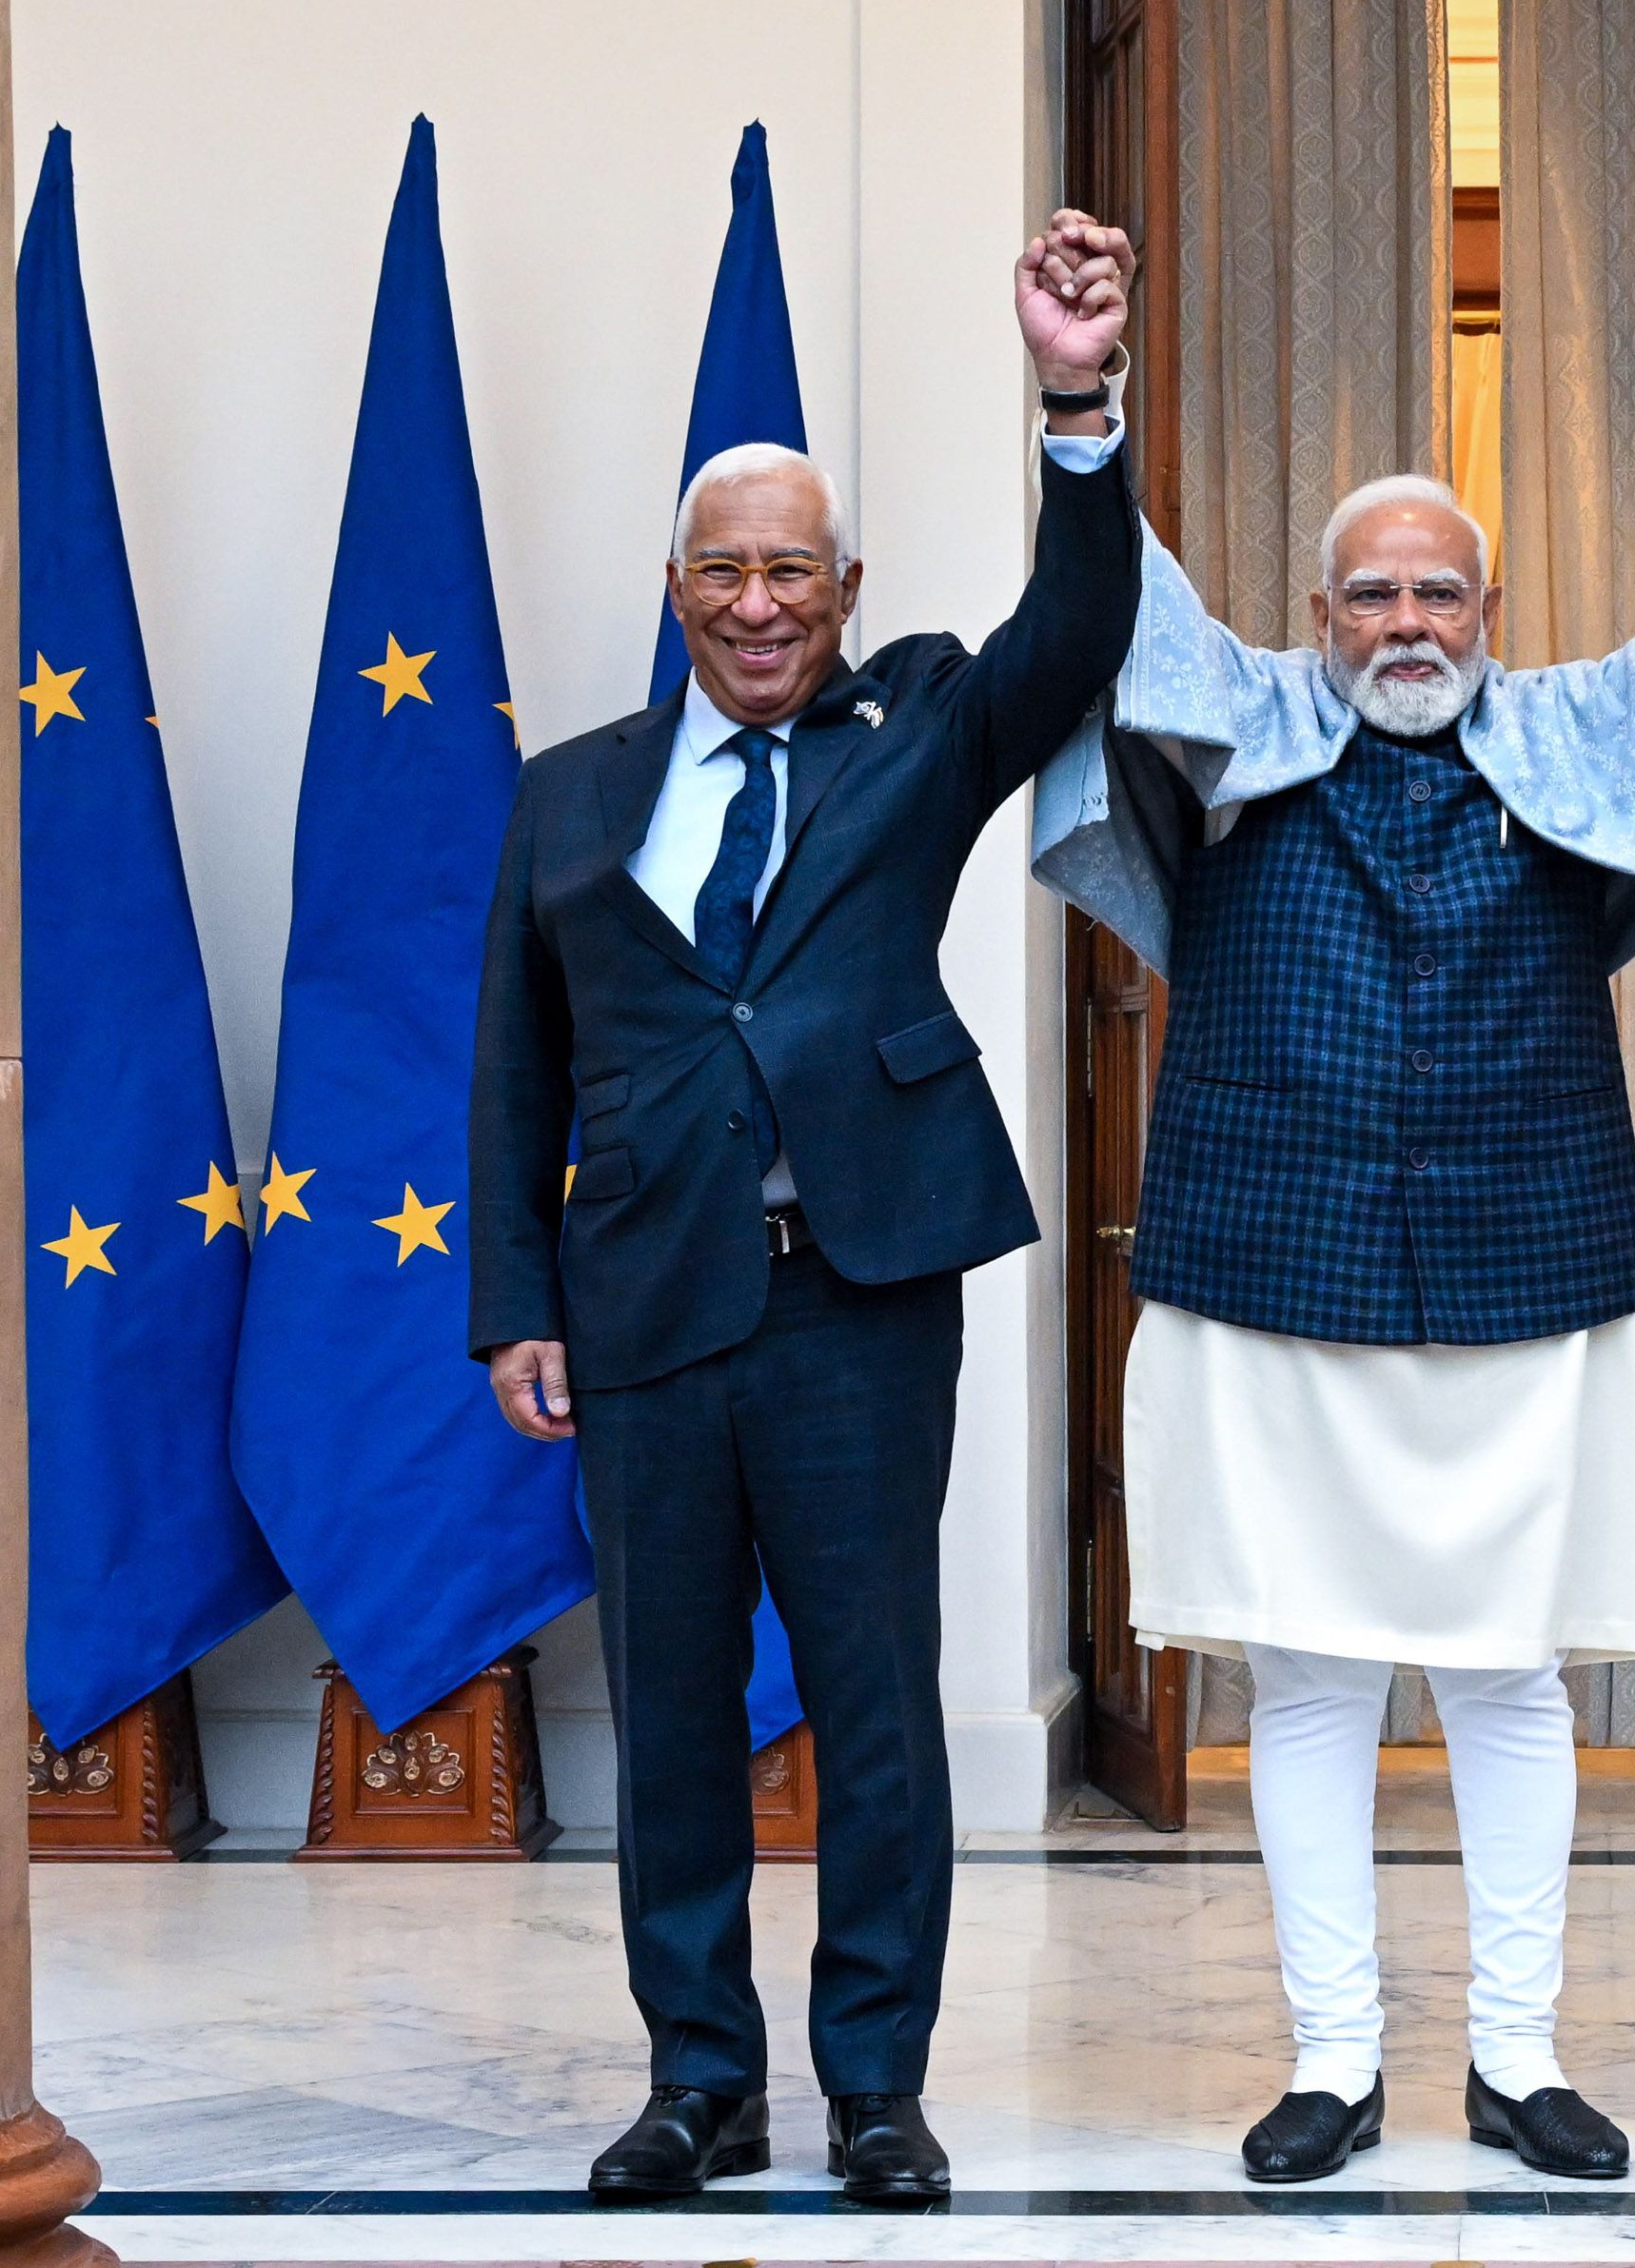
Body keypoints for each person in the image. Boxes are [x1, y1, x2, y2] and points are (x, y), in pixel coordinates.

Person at [1029, 294, 1635, 2183]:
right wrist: (1081, 396)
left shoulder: (1583, 734)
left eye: (1440, 593)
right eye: (1370, 595)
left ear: (1487, 613)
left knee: (1512, 1678)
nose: (1406, 625)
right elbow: (1114, 597)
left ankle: (1516, 2059)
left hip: (1530, 1277)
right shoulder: (1237, 726)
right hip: (1269, 1274)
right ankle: (1330, 2062)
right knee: (1308, 1678)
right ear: (1320, 611)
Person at [466, 215, 1144, 2207]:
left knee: (874, 1705)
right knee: (668, 1712)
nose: (758, 602)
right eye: (723, 570)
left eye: (792, 571)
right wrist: (516, 1299)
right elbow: (511, 1061)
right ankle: (699, 2079)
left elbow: (1078, 627)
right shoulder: (573, 796)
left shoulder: (920, 721)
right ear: (672, 590)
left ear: (845, 590)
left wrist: (1075, 397)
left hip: (857, 1296)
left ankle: (872, 2084)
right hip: (645, 1300)